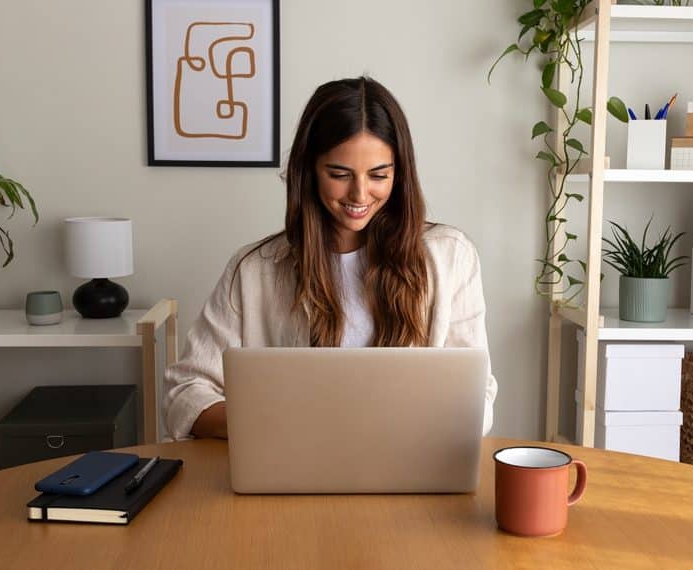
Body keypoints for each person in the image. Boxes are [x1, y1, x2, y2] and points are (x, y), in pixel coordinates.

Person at [164, 76, 497, 440]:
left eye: (378, 175)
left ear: (399, 175)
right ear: (309, 171)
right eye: (339, 174)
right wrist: (271, 424)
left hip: (409, 464)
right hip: (292, 467)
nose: (360, 194)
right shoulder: (254, 270)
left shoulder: (451, 256)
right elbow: (185, 391)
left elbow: (476, 394)